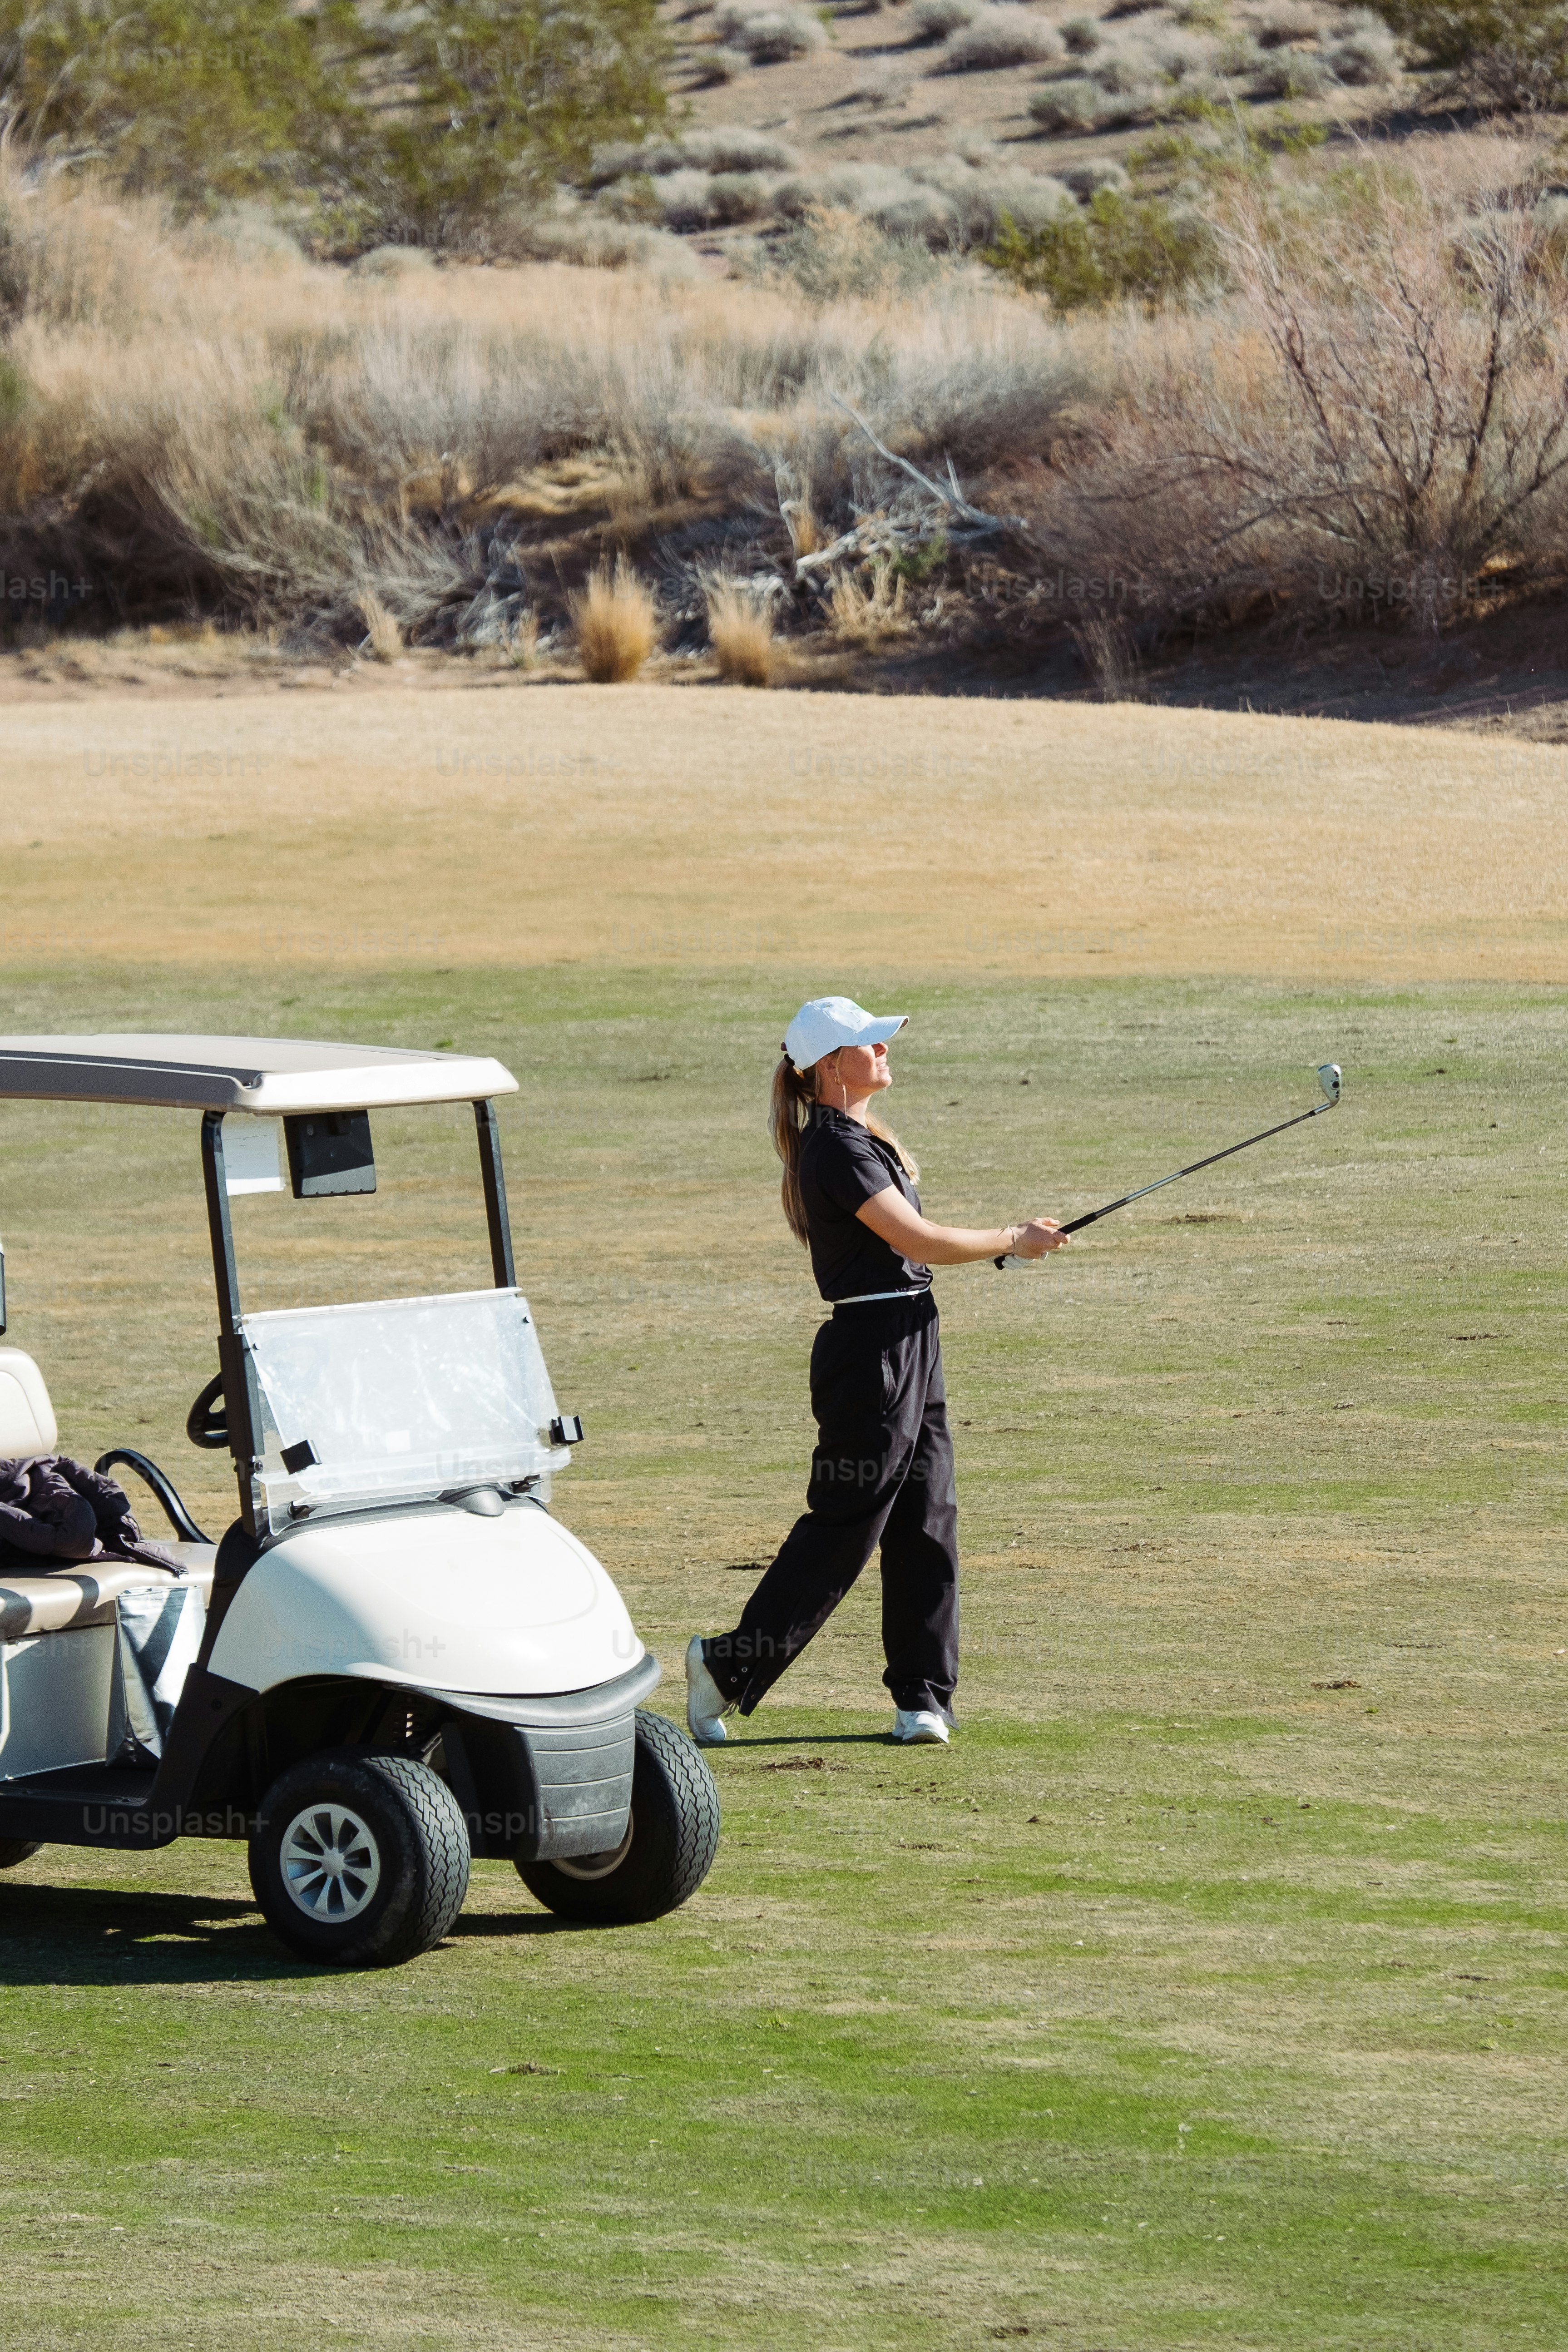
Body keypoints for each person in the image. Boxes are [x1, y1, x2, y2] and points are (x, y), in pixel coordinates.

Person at [686, 995, 1068, 1749]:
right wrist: (1009, 1239)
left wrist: (1001, 1245)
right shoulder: (835, 1149)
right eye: (870, 1045)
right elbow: (915, 1239)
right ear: (831, 1066)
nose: (885, 1053)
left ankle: (921, 1696)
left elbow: (910, 1252)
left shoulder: (862, 1138)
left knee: (927, 1517)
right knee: (849, 1525)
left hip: (910, 1334)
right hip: (872, 1353)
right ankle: (727, 1667)